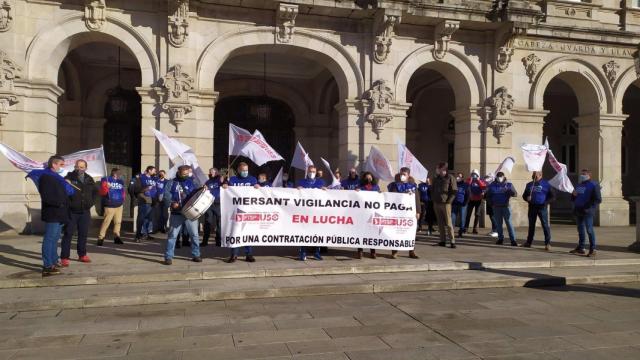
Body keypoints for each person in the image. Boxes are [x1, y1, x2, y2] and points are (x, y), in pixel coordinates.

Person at [35, 155, 73, 276]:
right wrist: (60, 203)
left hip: (60, 213)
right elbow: (46, 197)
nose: (63, 167)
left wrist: (66, 184)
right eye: (61, 165)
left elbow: (63, 194)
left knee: (55, 238)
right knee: (49, 239)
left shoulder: (58, 178)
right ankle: (47, 266)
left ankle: (54, 260)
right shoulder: (46, 177)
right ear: (54, 164)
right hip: (53, 213)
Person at [163, 165, 202, 265]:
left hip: (190, 212)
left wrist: (203, 189)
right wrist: (172, 202)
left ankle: (196, 254)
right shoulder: (171, 182)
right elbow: (166, 195)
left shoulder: (192, 181)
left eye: (187, 174)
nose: (186, 176)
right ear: (179, 172)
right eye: (184, 174)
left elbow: (198, 193)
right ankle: (168, 256)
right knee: (172, 235)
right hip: (177, 213)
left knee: (194, 235)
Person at [60, 159, 97, 266]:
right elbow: (62, 192)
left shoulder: (89, 179)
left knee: (83, 234)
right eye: (77, 167)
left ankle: (82, 255)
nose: (79, 169)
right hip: (72, 211)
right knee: (68, 234)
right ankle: (64, 257)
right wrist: (65, 184)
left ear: (86, 168)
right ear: (75, 167)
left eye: (82, 167)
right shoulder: (69, 177)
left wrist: (91, 203)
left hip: (85, 211)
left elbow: (95, 193)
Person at [222, 162, 260, 263]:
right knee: (235, 232)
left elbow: (257, 194)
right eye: (243, 170)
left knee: (247, 232)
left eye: (246, 170)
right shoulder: (233, 180)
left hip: (248, 210)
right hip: (235, 210)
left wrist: (257, 187)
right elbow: (227, 191)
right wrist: (225, 185)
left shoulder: (252, 179)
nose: (245, 172)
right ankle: (234, 255)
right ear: (238, 170)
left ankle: (249, 254)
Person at [387, 168, 420, 259]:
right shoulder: (394, 185)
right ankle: (394, 251)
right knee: (396, 232)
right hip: (397, 212)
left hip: (409, 213)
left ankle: (411, 251)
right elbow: (391, 196)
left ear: (408, 175)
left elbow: (417, 199)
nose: (402, 176)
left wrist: (418, 211)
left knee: (411, 232)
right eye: (401, 174)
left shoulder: (413, 186)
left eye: (404, 174)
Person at [296, 165, 326, 261]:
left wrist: (325, 191)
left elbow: (326, 195)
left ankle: (317, 253)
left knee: (318, 233)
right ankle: (303, 252)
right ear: (307, 172)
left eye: (313, 171)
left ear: (316, 172)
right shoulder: (301, 182)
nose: (311, 173)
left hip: (317, 212)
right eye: (310, 171)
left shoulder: (321, 182)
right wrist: (297, 189)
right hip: (305, 212)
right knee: (303, 233)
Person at [570, 169, 601, 257]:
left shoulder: (594, 185)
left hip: (587, 211)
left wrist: (588, 206)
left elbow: (598, 199)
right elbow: (573, 198)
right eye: (581, 174)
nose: (582, 175)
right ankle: (581, 248)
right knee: (580, 230)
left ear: (589, 176)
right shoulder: (579, 185)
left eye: (584, 174)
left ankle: (593, 249)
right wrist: (573, 195)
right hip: (578, 210)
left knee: (589, 230)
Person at [522, 171, 556, 250]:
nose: (534, 176)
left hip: (542, 207)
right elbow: (524, 195)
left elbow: (553, 196)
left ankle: (547, 243)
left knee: (545, 225)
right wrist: (527, 198)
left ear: (540, 175)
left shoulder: (546, 184)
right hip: (532, 207)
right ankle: (528, 242)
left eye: (535, 174)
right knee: (531, 225)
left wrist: (545, 203)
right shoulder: (529, 184)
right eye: (533, 174)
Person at [485, 171, 518, 246]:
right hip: (496, 207)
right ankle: (500, 239)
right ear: (496, 177)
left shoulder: (508, 185)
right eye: (498, 177)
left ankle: (513, 240)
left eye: (501, 177)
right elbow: (488, 196)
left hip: (505, 207)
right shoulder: (492, 185)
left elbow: (515, 194)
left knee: (509, 223)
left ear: (504, 177)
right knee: (498, 224)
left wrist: (509, 191)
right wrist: (491, 203)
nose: (499, 178)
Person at [97, 168, 126, 246]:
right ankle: (101, 238)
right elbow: (102, 192)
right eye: (118, 173)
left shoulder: (120, 181)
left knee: (118, 222)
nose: (120, 174)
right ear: (114, 173)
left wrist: (123, 198)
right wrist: (106, 187)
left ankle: (117, 237)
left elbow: (122, 191)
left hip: (119, 205)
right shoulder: (106, 179)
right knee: (106, 222)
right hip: (110, 204)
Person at [355, 171, 380, 259]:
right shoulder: (360, 187)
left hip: (372, 213)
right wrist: (356, 192)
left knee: (372, 232)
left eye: (370, 178)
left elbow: (379, 198)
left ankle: (373, 251)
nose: (369, 179)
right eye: (367, 178)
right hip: (362, 213)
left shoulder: (376, 187)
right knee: (361, 232)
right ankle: (360, 251)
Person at [432, 162, 457, 248]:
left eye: (438, 168)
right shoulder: (436, 178)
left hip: (446, 204)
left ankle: (452, 241)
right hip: (437, 202)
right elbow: (432, 189)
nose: (437, 170)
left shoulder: (450, 177)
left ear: (443, 169)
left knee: (449, 223)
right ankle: (442, 240)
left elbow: (454, 191)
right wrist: (434, 199)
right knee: (440, 223)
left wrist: (449, 201)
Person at [133, 166, 157, 242]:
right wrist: (146, 189)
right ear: (149, 170)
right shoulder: (141, 177)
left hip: (151, 201)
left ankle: (146, 234)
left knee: (148, 219)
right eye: (153, 171)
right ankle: (138, 236)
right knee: (141, 218)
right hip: (144, 200)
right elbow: (136, 189)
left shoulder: (153, 178)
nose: (155, 172)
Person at [202, 168, 224, 247]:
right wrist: (204, 188)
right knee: (207, 222)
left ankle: (218, 240)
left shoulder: (220, 179)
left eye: (212, 172)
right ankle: (205, 241)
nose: (211, 174)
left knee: (219, 223)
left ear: (216, 172)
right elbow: (204, 190)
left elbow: (226, 185)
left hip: (218, 203)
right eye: (210, 172)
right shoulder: (208, 182)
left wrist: (223, 181)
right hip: (209, 204)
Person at [464, 169, 487, 235]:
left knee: (477, 214)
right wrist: (471, 180)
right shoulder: (469, 180)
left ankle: (475, 228)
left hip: (478, 200)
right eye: (472, 174)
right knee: (468, 214)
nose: (474, 175)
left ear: (477, 175)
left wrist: (478, 180)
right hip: (471, 200)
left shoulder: (480, 180)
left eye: (475, 174)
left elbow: (483, 187)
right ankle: (466, 228)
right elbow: (467, 186)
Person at [451, 172, 470, 238]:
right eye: (457, 176)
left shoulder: (465, 185)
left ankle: (461, 232)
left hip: (462, 204)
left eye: (459, 176)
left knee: (462, 219)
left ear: (462, 178)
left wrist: (465, 203)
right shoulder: (453, 184)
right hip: (454, 204)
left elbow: (468, 194)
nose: (458, 178)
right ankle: (451, 232)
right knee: (452, 218)